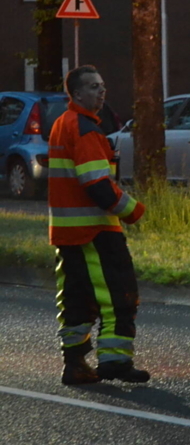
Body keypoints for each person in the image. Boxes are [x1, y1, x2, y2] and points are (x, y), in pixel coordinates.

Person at [48, 66, 148, 385]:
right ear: (76, 94)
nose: (101, 92)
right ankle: (115, 362)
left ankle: (74, 363)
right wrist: (134, 211)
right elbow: (98, 185)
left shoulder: (65, 124)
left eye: (103, 86)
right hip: (95, 233)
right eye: (93, 87)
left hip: (68, 234)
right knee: (119, 295)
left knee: (76, 299)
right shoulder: (86, 130)